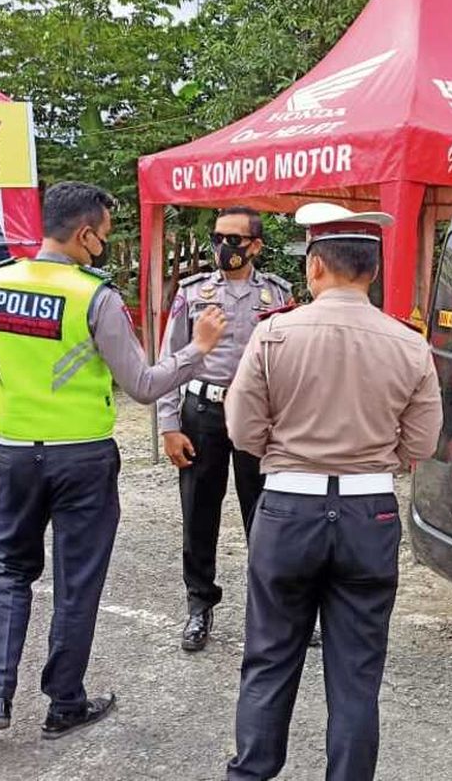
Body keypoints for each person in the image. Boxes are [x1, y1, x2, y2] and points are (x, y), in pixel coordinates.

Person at [0, 181, 227, 740]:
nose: (103, 243)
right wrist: (198, 348)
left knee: (8, 572)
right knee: (76, 583)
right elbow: (145, 386)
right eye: (103, 234)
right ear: (85, 235)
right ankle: (64, 703)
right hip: (82, 459)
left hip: (16, 455)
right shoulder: (94, 298)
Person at [223, 202, 443, 781]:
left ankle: (250, 773)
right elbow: (420, 444)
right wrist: (371, 462)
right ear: (373, 272)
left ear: (314, 267)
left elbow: (242, 430)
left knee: (269, 656)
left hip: (288, 506)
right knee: (357, 674)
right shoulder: (409, 345)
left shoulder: (273, 334)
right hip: (368, 513)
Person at [157, 206, 293, 652]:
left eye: (233, 239)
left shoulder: (279, 294)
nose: (223, 247)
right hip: (203, 412)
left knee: (267, 515)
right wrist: (169, 424)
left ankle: (272, 611)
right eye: (218, 237)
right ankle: (199, 605)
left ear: (255, 245)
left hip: (257, 415)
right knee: (199, 512)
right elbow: (169, 358)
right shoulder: (193, 291)